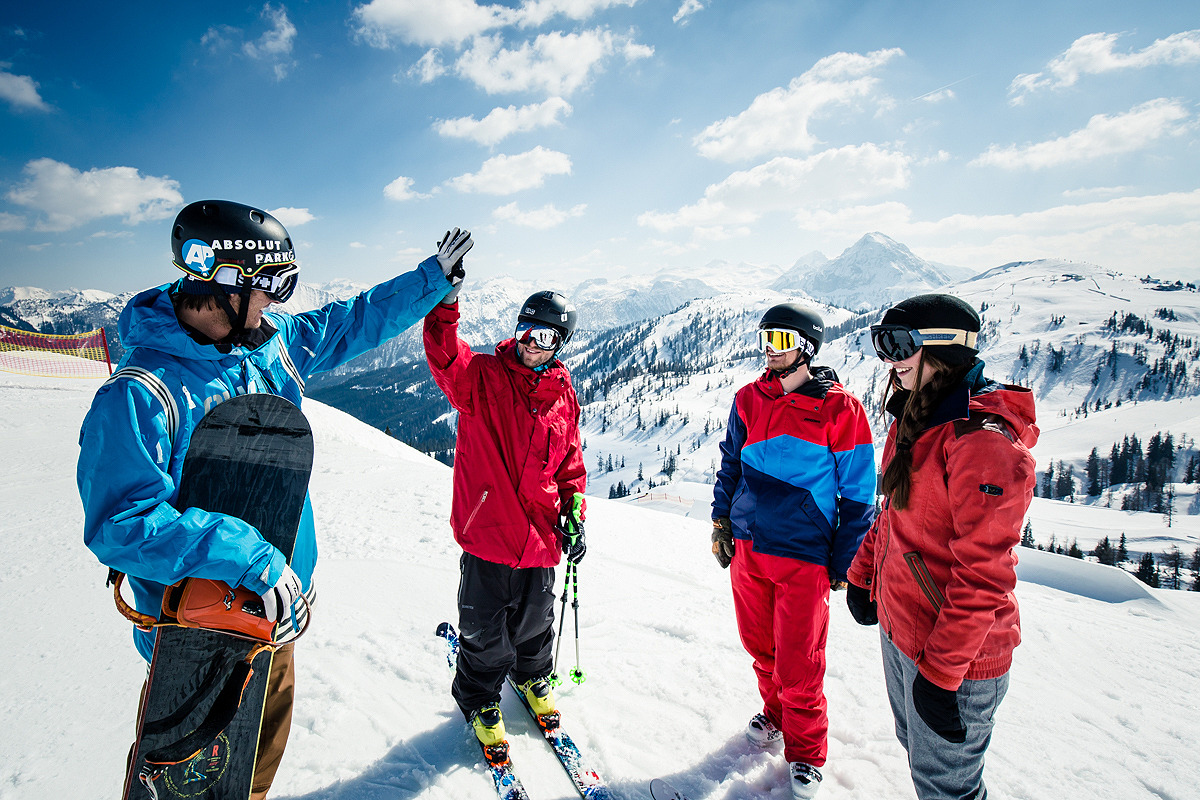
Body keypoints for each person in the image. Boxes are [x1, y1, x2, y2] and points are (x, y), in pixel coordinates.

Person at [77, 199, 472, 799]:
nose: (277, 303)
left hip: (274, 614)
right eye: (271, 286)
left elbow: (351, 321)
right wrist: (247, 555)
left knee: (255, 770)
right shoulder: (139, 395)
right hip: (196, 636)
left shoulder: (268, 343)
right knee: (195, 778)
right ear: (222, 281)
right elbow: (120, 522)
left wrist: (432, 280)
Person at [845, 294, 1037, 800]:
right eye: (881, 345)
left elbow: (984, 576)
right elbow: (894, 513)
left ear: (943, 347)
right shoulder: (916, 417)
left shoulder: (984, 443)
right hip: (904, 631)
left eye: (898, 344)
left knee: (948, 788)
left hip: (956, 659)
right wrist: (863, 575)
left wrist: (942, 673)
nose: (888, 360)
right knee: (919, 757)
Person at [711, 302, 876, 799]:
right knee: (760, 648)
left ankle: (806, 752)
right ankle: (776, 715)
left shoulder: (840, 410)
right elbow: (730, 464)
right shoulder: (748, 399)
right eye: (766, 339)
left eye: (782, 340)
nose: (771, 350)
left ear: (806, 346)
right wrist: (721, 520)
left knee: (800, 662)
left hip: (803, 554)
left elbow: (859, 494)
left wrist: (844, 559)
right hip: (749, 545)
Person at [423, 283, 587, 760]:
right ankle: (479, 697)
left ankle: (533, 676)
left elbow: (570, 464)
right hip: (488, 530)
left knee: (536, 619)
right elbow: (444, 355)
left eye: (546, 336)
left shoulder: (562, 395)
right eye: (526, 330)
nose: (532, 342)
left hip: (539, 537)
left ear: (560, 344)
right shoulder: (482, 376)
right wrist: (445, 302)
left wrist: (574, 513)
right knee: (484, 627)